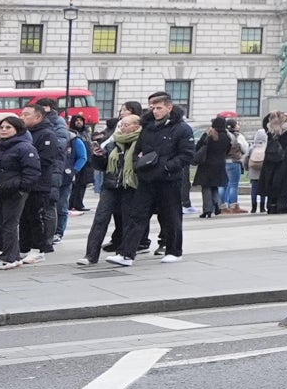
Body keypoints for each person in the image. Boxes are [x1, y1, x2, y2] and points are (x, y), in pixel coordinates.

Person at [132, 91, 196, 259]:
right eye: (152, 108)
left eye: (159, 108)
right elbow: (138, 150)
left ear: (169, 108)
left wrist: (167, 167)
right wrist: (137, 164)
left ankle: (174, 251)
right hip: (147, 178)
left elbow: (187, 155)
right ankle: (126, 253)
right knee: (137, 214)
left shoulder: (182, 129)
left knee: (171, 216)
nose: (154, 111)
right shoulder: (147, 127)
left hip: (169, 179)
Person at [0, 113, 44, 269]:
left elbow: (32, 172)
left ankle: (9, 257)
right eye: (2, 127)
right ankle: (12, 255)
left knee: (9, 224)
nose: (4, 130)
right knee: (3, 224)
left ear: (17, 129)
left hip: (14, 192)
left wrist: (21, 188)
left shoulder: (24, 147)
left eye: (8, 127)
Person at [83, 109, 147, 266]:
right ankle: (90, 255)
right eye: (121, 125)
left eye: (126, 125)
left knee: (127, 220)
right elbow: (103, 166)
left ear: (136, 126)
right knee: (100, 219)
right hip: (111, 185)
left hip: (130, 186)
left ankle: (124, 252)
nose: (122, 128)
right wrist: (98, 156)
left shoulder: (142, 143)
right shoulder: (113, 143)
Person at [26, 98, 74, 254]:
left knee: (49, 205)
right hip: (43, 173)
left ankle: (47, 240)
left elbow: (57, 149)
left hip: (51, 172)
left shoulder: (55, 126)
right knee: (36, 209)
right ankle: (37, 240)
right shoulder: (32, 130)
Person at [194, 115, 234, 219]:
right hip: (220, 164)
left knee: (206, 187)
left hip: (207, 164)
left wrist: (204, 135)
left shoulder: (210, 135)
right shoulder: (226, 137)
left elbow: (198, 146)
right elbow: (228, 151)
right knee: (215, 186)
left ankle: (207, 210)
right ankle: (216, 203)